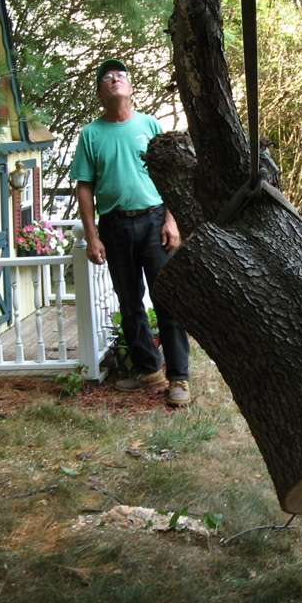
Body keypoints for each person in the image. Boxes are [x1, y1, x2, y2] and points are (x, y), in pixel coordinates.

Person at [70, 58, 192, 407]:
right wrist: (93, 236)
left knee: (167, 297)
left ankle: (179, 378)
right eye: (106, 77)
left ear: (131, 87)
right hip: (115, 227)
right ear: (99, 92)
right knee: (129, 302)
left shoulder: (150, 125)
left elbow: (170, 174)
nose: (114, 80)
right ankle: (147, 369)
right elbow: (85, 187)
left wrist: (172, 220)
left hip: (155, 222)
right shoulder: (90, 134)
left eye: (120, 75)